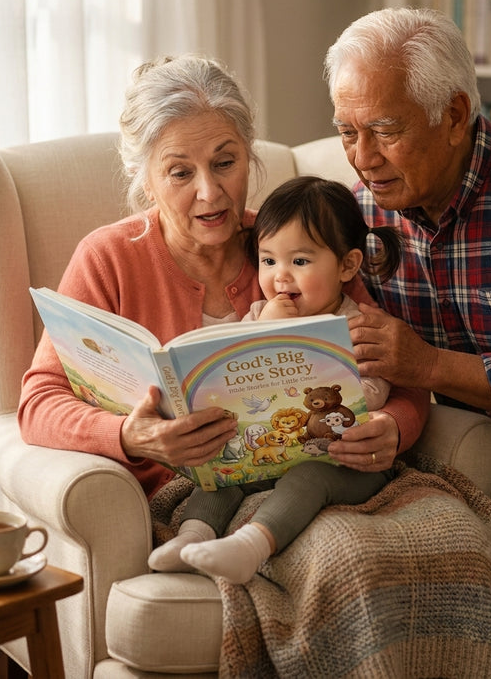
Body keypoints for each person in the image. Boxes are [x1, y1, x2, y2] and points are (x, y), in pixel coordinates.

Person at [18, 53, 428, 509]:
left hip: (309, 489)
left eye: (225, 163)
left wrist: (392, 424)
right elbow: (38, 402)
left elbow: (401, 373)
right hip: (188, 502)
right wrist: (130, 436)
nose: (210, 192)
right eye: (180, 172)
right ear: (145, 179)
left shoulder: (296, 247)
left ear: (248, 156)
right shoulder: (107, 258)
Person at [324, 5, 491, 674]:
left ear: (453, 117)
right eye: (346, 132)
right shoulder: (356, 214)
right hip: (433, 460)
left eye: (385, 130)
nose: (362, 159)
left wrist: (426, 364)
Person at [148, 175, 403, 583]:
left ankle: (250, 546)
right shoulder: (256, 315)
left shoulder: (357, 327)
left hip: (342, 462)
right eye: (268, 261)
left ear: (347, 265)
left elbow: (372, 393)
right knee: (222, 471)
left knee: (309, 478)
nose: (280, 277)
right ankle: (191, 538)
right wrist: (262, 334)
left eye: (299, 262)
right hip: (268, 452)